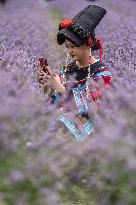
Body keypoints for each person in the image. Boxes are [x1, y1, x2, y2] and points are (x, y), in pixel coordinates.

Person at [39, 5, 112, 141]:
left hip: (88, 129)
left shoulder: (101, 73)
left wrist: (61, 89)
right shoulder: (68, 68)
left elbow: (96, 110)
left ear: (87, 45)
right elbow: (54, 101)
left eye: (73, 46)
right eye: (67, 47)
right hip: (63, 120)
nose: (69, 51)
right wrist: (49, 85)